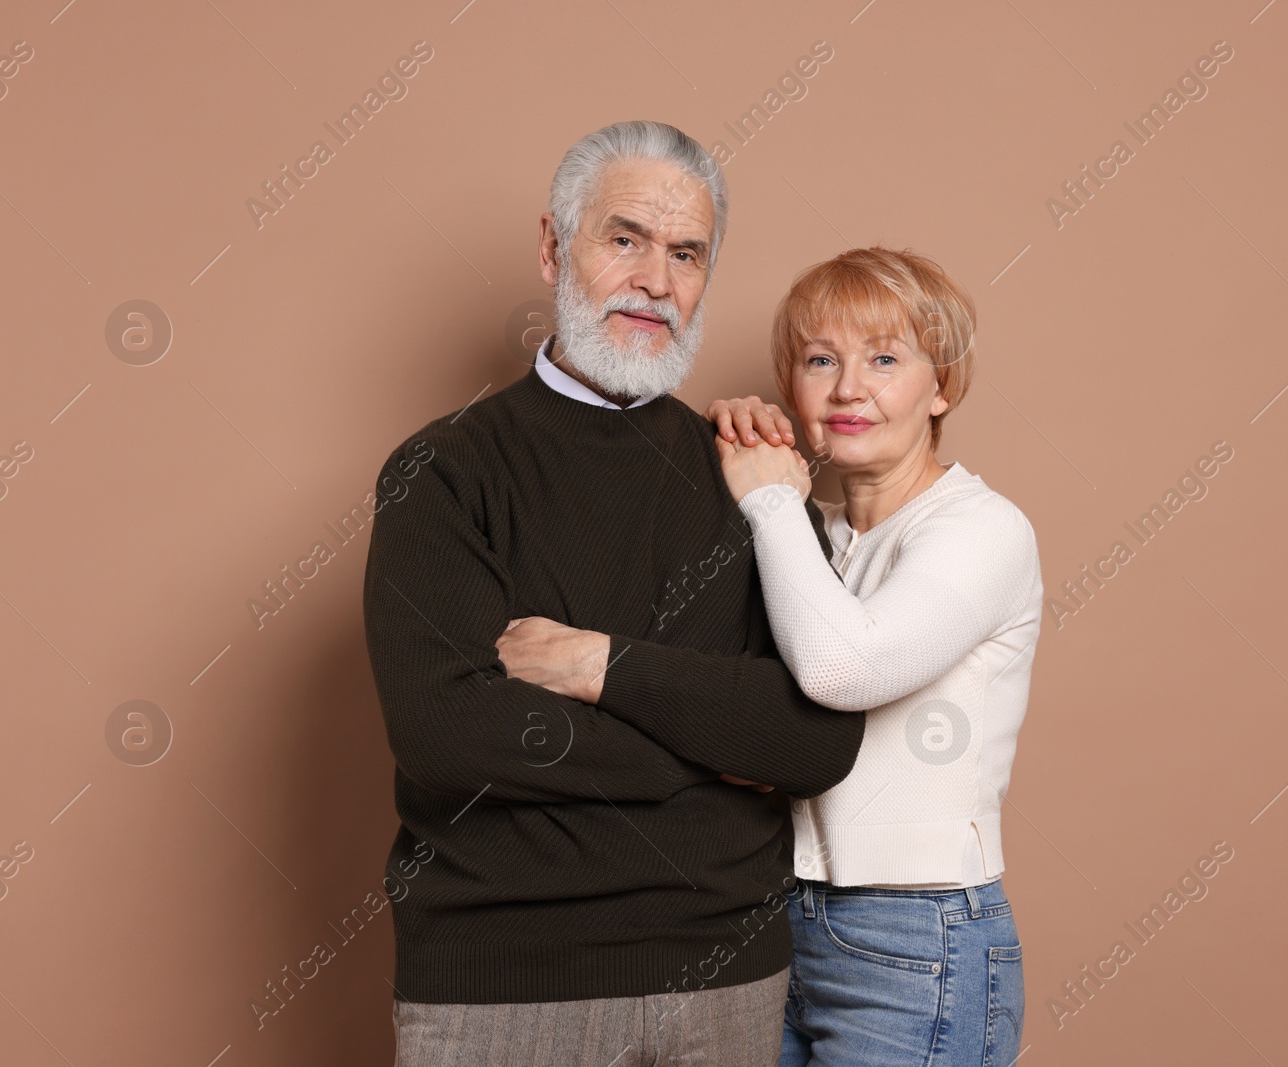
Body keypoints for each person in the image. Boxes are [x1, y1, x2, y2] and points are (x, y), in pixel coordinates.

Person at [362, 120, 865, 1067]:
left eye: (686, 253)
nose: (656, 281)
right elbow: (444, 730)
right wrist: (715, 747)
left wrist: (603, 667)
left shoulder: (750, 474)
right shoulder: (443, 471)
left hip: (726, 975)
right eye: (624, 239)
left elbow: (815, 736)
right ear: (555, 246)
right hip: (502, 982)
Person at [703, 247, 1044, 1065]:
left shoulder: (982, 529)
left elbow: (842, 671)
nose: (848, 387)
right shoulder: (808, 533)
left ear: (942, 387)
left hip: (917, 933)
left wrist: (770, 497)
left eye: (885, 359)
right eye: (821, 360)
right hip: (772, 919)